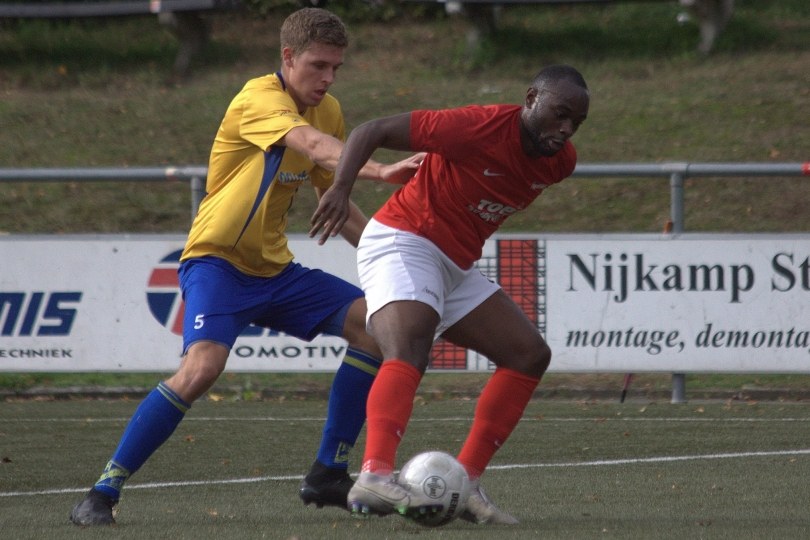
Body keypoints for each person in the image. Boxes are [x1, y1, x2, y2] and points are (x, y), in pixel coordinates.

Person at [69, 8, 422, 526]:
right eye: (318, 65)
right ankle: (102, 492)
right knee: (203, 368)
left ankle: (328, 471)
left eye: (335, 69)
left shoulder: (331, 111)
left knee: (375, 328)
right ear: (288, 58)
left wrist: (395, 256)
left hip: (275, 270)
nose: (327, 78)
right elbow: (311, 145)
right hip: (215, 264)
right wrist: (382, 167)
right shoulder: (258, 99)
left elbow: (336, 202)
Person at [310, 64, 590, 524]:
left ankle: (467, 483)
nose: (566, 129)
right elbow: (371, 130)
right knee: (408, 345)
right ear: (530, 98)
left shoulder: (560, 162)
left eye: (576, 122)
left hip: (454, 263)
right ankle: (375, 474)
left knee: (528, 354)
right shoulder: (476, 126)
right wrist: (341, 189)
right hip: (403, 237)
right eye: (560, 114)